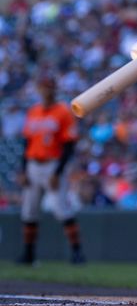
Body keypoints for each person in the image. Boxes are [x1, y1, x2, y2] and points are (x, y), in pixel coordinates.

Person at [18, 75, 86, 265]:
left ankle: (77, 252)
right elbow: (27, 142)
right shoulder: (34, 111)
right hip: (33, 165)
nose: (46, 90)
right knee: (29, 212)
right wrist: (23, 170)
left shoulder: (63, 112)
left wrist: (58, 172)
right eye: (43, 87)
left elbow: (69, 145)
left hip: (52, 165)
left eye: (49, 87)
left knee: (61, 209)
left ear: (54, 90)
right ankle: (29, 255)